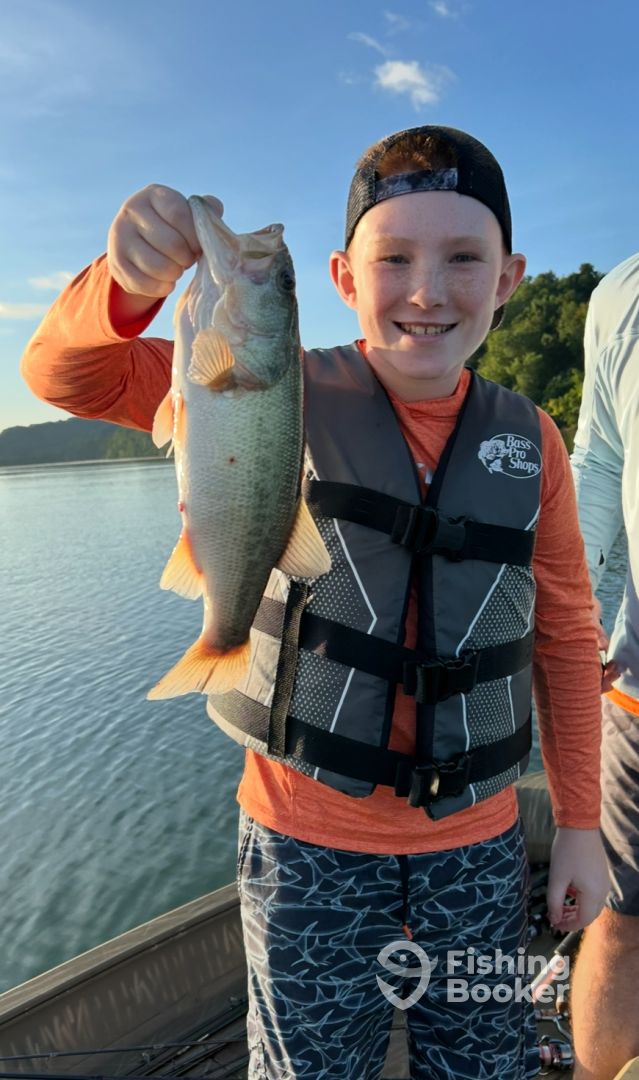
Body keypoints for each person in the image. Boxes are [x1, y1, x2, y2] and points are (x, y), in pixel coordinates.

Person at [21, 125, 609, 1080]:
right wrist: (124, 285)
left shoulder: (530, 439)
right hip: (304, 842)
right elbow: (65, 374)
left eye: (463, 259)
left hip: (479, 844)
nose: (427, 290)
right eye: (394, 259)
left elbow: (569, 634)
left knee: (486, 1063)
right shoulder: (268, 383)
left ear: (507, 279)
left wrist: (578, 825)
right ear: (342, 277)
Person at [570, 254, 639, 1080]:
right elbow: (599, 466)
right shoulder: (620, 294)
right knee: (620, 924)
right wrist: (575, 629)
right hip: (637, 689)